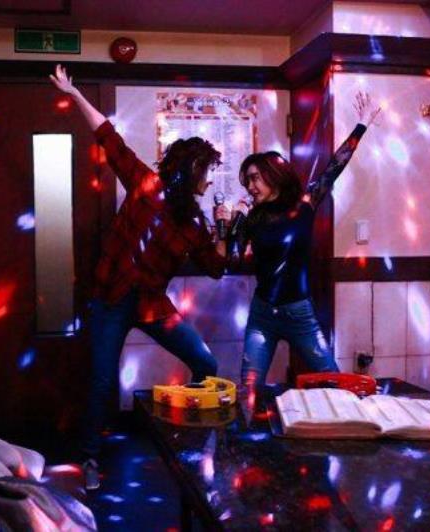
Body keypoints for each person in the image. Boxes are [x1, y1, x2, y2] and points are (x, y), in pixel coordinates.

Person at [49, 65, 230, 489]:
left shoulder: (195, 223)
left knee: (205, 363)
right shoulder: (145, 184)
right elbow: (109, 137)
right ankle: (89, 458)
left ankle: (189, 437)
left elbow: (216, 268)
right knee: (102, 379)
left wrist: (224, 228)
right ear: (193, 171)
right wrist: (74, 94)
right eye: (208, 172)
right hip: (110, 299)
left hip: (152, 305)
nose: (210, 181)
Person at [233, 92, 381, 388]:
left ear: (273, 175)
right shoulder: (253, 217)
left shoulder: (304, 203)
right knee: (248, 387)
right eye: (247, 180)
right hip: (262, 313)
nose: (250, 186)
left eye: (255, 178)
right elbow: (236, 255)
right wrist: (236, 220)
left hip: (299, 312)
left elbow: (336, 165)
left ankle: (348, 416)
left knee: (333, 381)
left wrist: (362, 125)